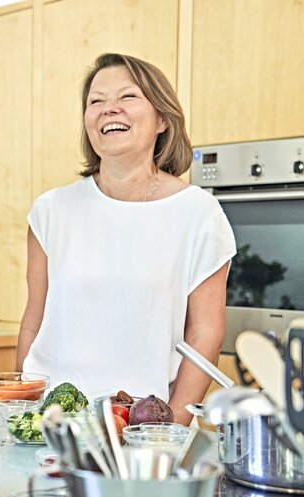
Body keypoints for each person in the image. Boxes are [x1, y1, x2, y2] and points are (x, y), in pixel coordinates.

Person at [16, 53, 236, 425]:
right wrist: (26, 412)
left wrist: (171, 430)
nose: (108, 109)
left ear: (162, 119)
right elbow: (33, 324)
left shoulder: (198, 213)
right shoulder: (51, 210)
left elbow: (205, 336)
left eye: (127, 97)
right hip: (54, 421)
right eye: (96, 101)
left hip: (143, 424)